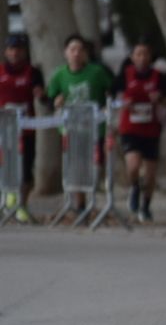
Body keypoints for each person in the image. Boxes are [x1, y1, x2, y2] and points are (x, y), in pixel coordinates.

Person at [45, 33, 115, 214]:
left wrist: (109, 104)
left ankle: (92, 199)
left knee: (95, 167)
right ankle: (81, 206)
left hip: (94, 130)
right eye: (72, 49)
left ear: (85, 53)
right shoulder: (59, 75)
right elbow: (49, 98)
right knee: (76, 168)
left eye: (80, 49)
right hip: (71, 131)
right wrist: (55, 102)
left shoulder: (97, 72)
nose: (76, 53)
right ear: (65, 53)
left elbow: (113, 90)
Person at [115, 38, 166, 223]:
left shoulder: (159, 77)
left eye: (145, 54)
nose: (142, 58)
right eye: (138, 54)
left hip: (151, 129)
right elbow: (112, 98)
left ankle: (146, 206)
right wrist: (124, 104)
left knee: (150, 175)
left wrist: (160, 100)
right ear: (132, 57)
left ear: (150, 57)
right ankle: (134, 187)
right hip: (130, 128)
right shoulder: (124, 75)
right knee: (133, 165)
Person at [0, 33, 46, 223]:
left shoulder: (32, 72)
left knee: (26, 169)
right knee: (5, 166)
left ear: (24, 52)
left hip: (25, 130)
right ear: (6, 52)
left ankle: (22, 205)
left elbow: (44, 98)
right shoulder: (1, 72)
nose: (15, 53)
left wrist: (42, 95)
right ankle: (7, 198)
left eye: (19, 49)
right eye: (12, 49)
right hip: (3, 131)